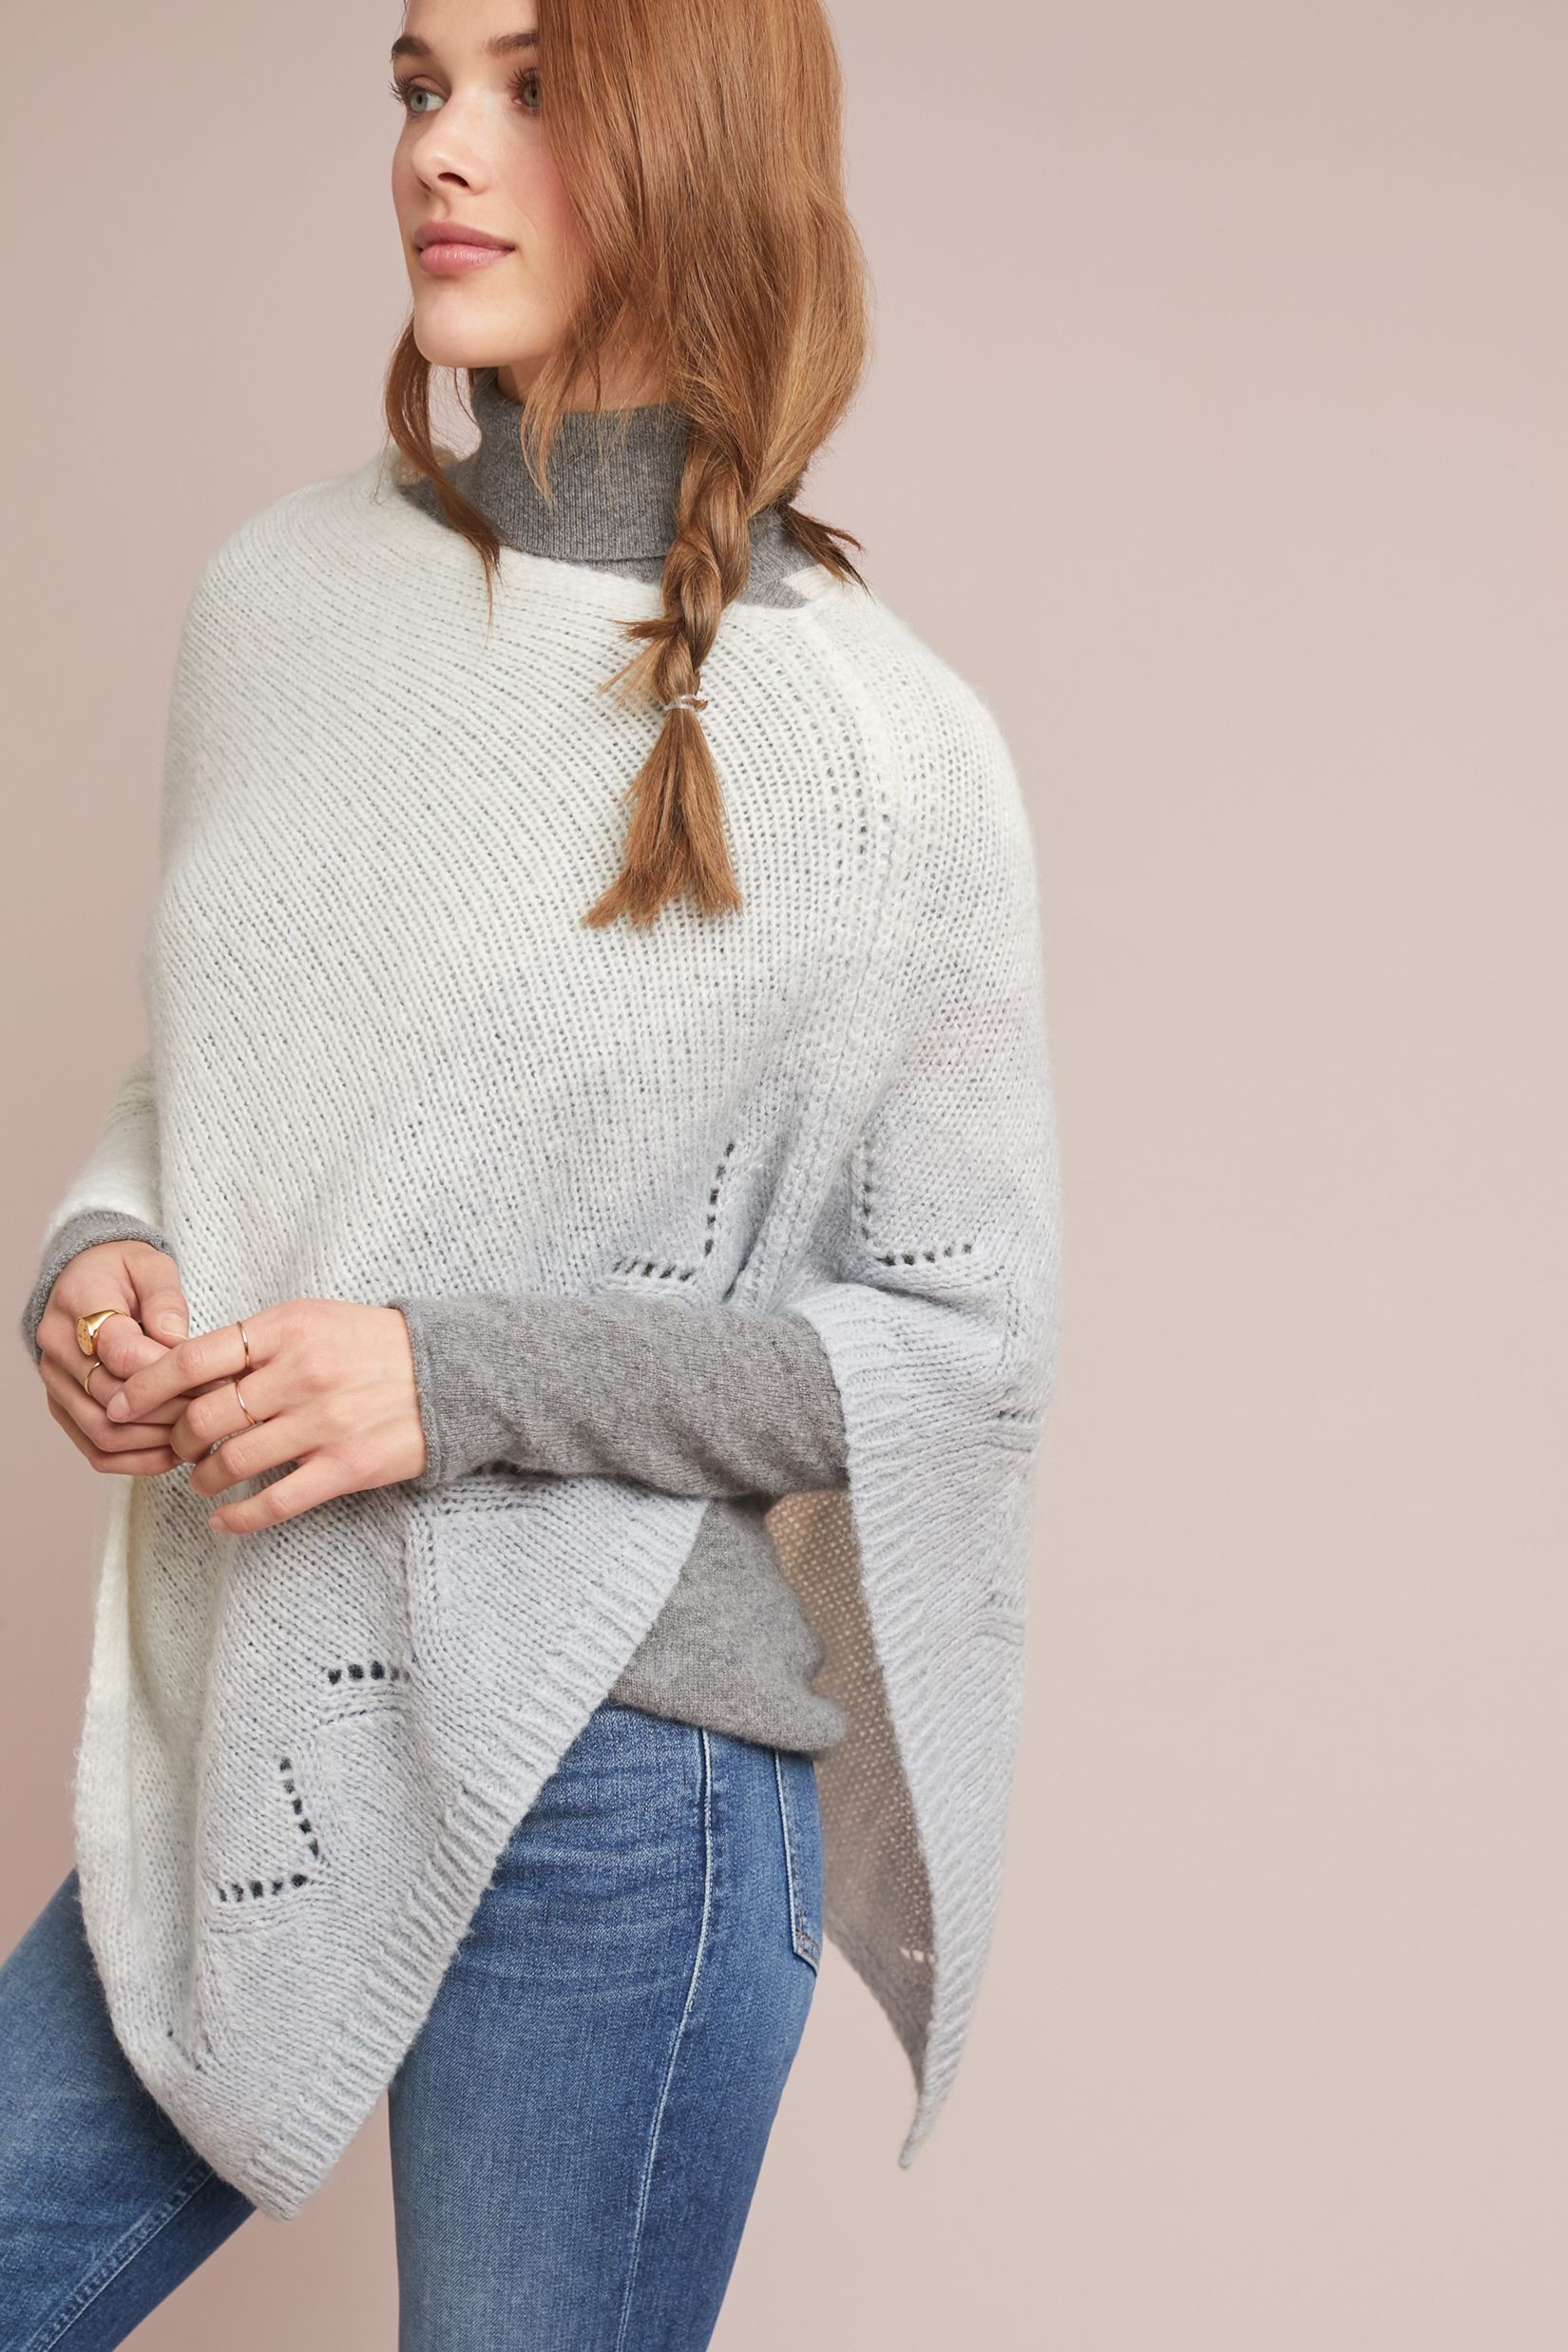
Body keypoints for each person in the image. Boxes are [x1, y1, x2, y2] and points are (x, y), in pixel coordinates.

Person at [1, 1, 1065, 2344]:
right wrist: (103, 1246)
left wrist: (447, 1375)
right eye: (417, 87)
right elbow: (225, 1063)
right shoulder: (277, 601)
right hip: (263, 1708)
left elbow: (962, 1345)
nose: (442, 152)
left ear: (700, 135)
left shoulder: (890, 756)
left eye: (532, 85)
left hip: (628, 1794)